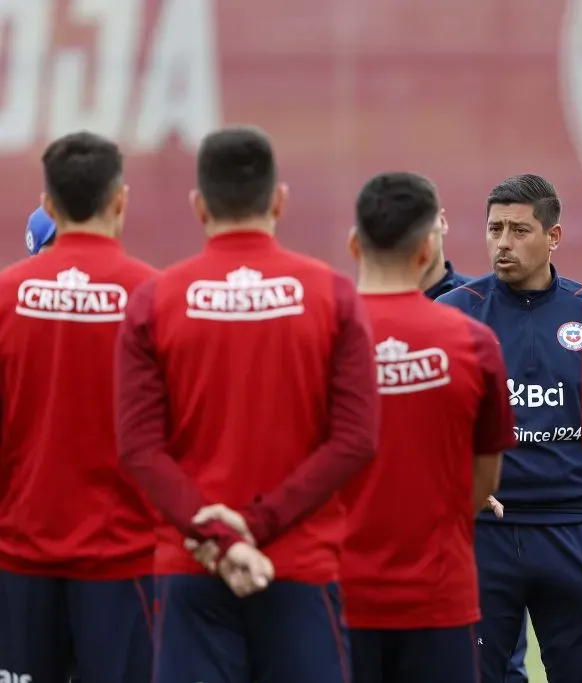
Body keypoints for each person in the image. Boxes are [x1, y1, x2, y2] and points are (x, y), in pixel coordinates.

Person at [113, 126, 380, 682]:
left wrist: (219, 538)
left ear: (199, 205)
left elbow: (139, 448)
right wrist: (256, 526)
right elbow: (355, 440)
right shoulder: (332, 295)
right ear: (278, 199)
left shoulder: (155, 301)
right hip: (299, 567)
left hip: (195, 567)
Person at [438, 174, 582, 683]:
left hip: (580, 529)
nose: (503, 243)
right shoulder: (454, 315)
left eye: (519, 230)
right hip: (485, 533)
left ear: (553, 236)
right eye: (495, 228)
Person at [339, 171, 515, 683]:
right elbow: (486, 478)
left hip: (336, 596)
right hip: (440, 597)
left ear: (354, 244)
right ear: (425, 251)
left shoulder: (320, 337)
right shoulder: (473, 341)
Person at [0, 132, 157, 683]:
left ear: (46, 206)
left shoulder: (4, 296)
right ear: (120, 200)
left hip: (19, 564)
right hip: (125, 566)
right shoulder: (155, 300)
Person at [417, 199, 531, 683]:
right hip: (398, 528)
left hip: (481, 525)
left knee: (493, 666)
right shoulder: (357, 318)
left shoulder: (477, 307)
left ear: (442, 222)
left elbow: (507, 413)